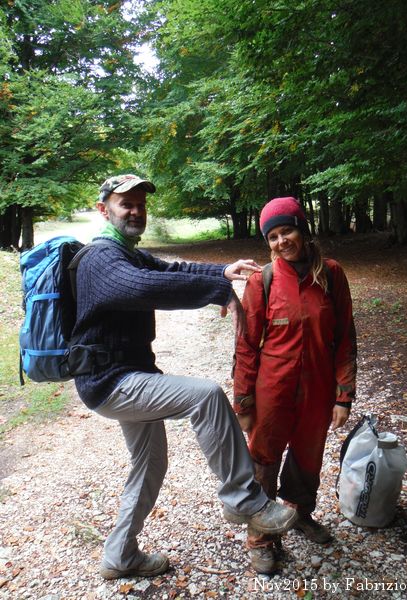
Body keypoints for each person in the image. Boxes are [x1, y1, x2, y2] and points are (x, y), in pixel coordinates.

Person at [70, 175, 297, 580]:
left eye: (141, 204)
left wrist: (222, 272)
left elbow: (173, 269)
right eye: (126, 204)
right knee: (205, 395)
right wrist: (215, 293)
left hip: (128, 375)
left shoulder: (128, 253)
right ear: (104, 210)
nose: (136, 211)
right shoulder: (101, 258)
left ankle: (119, 556)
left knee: (149, 464)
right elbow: (142, 287)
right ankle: (245, 499)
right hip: (110, 382)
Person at [233, 196, 357, 574]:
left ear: (302, 229)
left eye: (287, 231)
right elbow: (246, 346)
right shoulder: (263, 280)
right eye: (272, 236)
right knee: (263, 461)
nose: (281, 241)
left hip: (318, 389)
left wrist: (343, 395)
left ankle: (301, 513)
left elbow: (345, 338)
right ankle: (261, 537)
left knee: (308, 456)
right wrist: (243, 402)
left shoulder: (331, 275)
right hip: (273, 390)